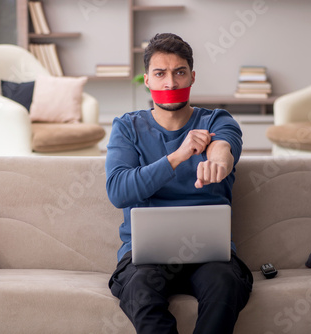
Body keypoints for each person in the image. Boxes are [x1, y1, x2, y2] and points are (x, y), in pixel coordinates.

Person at [105, 33, 253, 334]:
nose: (170, 83)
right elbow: (119, 191)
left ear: (192, 77)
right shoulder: (127, 127)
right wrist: (178, 156)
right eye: (160, 74)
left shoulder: (216, 121)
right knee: (141, 291)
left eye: (179, 72)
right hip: (144, 258)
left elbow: (223, 147)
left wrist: (218, 161)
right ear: (147, 80)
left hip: (211, 257)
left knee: (225, 286)